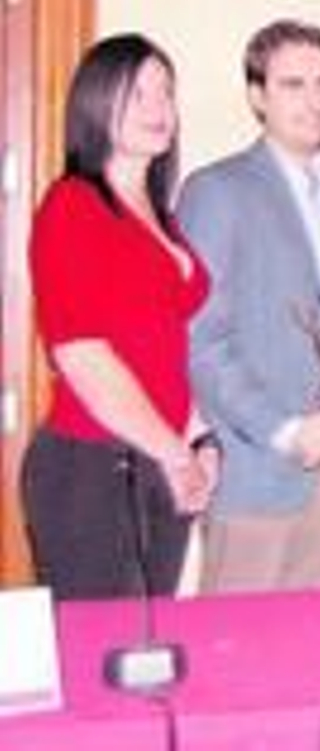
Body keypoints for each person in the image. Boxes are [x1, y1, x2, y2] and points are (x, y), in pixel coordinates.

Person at [179, 20, 320, 592]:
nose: (313, 101)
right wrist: (286, 432)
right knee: (237, 662)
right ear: (258, 96)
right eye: (293, 85)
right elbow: (202, 341)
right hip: (258, 466)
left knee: (310, 657)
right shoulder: (218, 191)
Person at [23, 34, 216, 599]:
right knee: (102, 663)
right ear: (96, 103)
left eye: (167, 94)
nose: (159, 110)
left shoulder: (163, 216)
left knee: (144, 661)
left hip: (159, 462)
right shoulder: (72, 206)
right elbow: (84, 357)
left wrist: (205, 444)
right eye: (138, 95)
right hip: (91, 469)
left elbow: (175, 348)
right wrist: (176, 454)